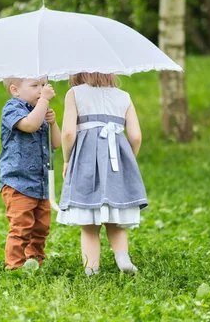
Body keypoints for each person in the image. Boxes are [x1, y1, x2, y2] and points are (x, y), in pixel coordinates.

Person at [57, 72, 147, 275]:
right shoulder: (123, 96)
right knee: (116, 218)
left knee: (89, 224)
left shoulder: (75, 94)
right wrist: (128, 160)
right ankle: (122, 257)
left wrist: (66, 159)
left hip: (86, 163)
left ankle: (92, 271)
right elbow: (136, 136)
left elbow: (69, 133)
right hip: (117, 163)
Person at [0, 77, 61, 270]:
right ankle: (15, 266)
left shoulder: (39, 111)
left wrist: (53, 123)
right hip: (18, 182)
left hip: (40, 183)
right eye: (35, 86)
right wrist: (44, 102)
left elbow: (56, 144)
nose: (41, 90)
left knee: (41, 227)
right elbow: (29, 125)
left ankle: (35, 260)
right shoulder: (12, 108)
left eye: (43, 85)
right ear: (15, 90)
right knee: (21, 226)